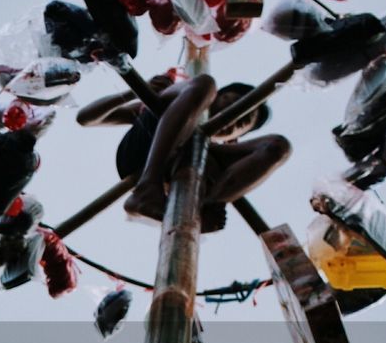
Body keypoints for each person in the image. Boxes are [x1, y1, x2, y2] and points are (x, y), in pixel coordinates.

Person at [77, 72, 291, 233]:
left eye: (241, 122)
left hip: (189, 173)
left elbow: (270, 150)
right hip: (143, 154)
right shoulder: (178, 105)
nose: (232, 117)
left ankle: (200, 211)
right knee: (204, 83)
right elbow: (86, 118)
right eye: (230, 103)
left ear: (235, 138)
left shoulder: (219, 154)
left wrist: (213, 206)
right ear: (219, 96)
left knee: (279, 147)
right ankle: (147, 187)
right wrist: (134, 92)